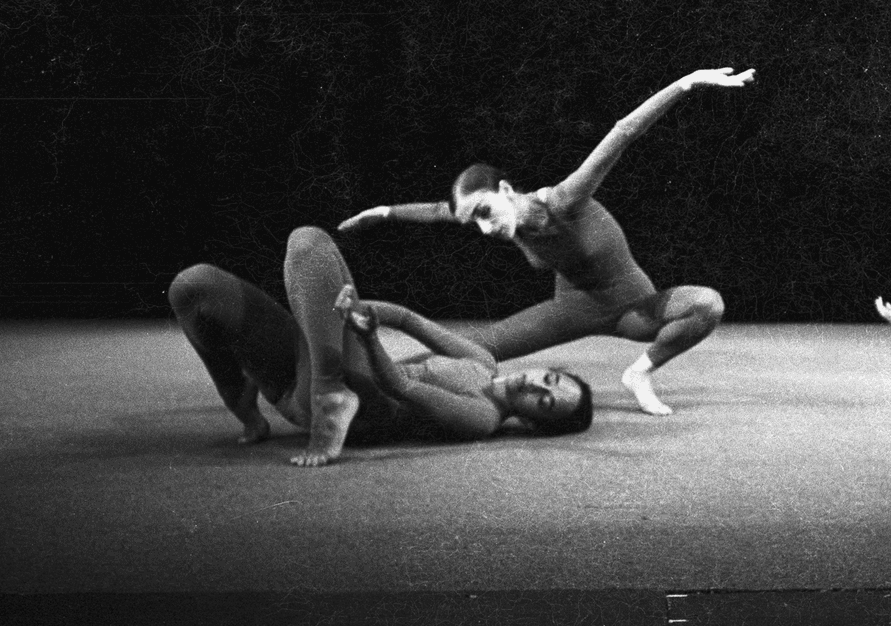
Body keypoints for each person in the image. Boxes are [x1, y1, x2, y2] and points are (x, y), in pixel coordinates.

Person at [338, 66, 755, 416]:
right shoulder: (496, 219)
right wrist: (385, 212)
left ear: (505, 189)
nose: (485, 229)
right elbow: (436, 211)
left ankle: (639, 374)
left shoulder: (564, 201)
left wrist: (688, 82)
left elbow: (623, 132)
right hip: (572, 308)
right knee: (473, 348)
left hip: (634, 309)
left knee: (706, 304)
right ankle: (358, 382)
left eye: (484, 212)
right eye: (473, 223)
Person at [167, 225, 592, 467]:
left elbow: (399, 387)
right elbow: (407, 319)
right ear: (546, 368)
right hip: (299, 382)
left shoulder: (482, 417)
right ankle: (244, 407)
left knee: (309, 243)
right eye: (550, 379)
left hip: (358, 393)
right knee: (195, 286)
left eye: (546, 402)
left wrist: (366, 337)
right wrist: (357, 311)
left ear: (533, 423)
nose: (538, 387)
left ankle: (329, 393)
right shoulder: (481, 360)